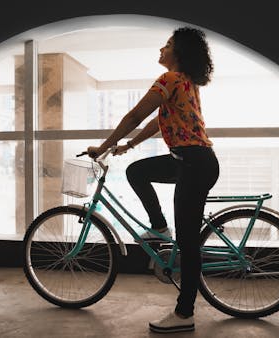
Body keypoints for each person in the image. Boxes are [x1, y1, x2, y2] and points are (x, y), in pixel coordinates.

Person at [87, 26, 219, 334]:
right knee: (137, 171)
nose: (162, 49)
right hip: (191, 160)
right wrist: (127, 147)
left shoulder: (170, 79)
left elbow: (134, 116)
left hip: (194, 164)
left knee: (187, 245)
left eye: (168, 45)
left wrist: (103, 146)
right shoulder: (185, 83)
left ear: (179, 52)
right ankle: (159, 226)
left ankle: (184, 315)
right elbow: (155, 123)